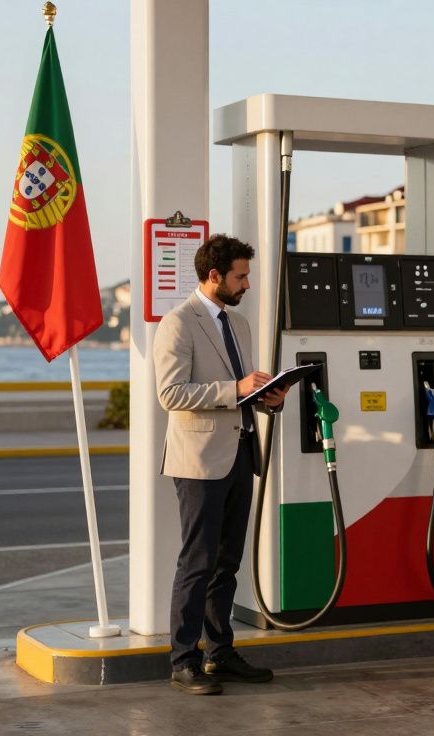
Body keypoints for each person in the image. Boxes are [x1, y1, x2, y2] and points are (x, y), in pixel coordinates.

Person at [153, 234, 289, 695]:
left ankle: (219, 653)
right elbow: (171, 393)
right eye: (240, 276)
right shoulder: (178, 323)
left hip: (241, 453)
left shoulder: (240, 324)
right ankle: (183, 660)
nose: (246, 284)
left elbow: (242, 391)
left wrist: (268, 399)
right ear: (214, 276)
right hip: (199, 462)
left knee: (226, 563)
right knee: (198, 562)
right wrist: (236, 389)